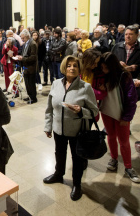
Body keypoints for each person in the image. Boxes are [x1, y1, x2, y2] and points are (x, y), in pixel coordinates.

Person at [43, 55, 98, 201]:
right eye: (69, 65)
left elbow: (95, 112)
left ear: (79, 69)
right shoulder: (55, 84)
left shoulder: (85, 87)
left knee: (77, 158)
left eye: (75, 65)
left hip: (77, 131)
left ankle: (77, 184)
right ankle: (58, 174)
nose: (72, 68)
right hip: (58, 129)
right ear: (64, 68)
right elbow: (49, 108)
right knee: (59, 153)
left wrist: (81, 111)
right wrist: (48, 126)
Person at [96, 52, 139, 183]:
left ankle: (128, 167)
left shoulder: (124, 76)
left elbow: (132, 98)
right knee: (111, 136)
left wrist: (126, 117)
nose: (104, 70)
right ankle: (114, 159)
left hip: (121, 115)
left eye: (106, 67)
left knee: (124, 141)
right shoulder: (103, 75)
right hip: (106, 112)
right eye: (102, 67)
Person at [16, 29, 38, 104]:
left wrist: (23, 58)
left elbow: (33, 57)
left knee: (31, 83)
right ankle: (29, 96)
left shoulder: (33, 44)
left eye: (23, 38)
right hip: (25, 66)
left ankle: (33, 98)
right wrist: (20, 56)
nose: (22, 39)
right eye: (21, 38)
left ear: (27, 36)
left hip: (31, 67)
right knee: (27, 83)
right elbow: (24, 54)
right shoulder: (26, 43)